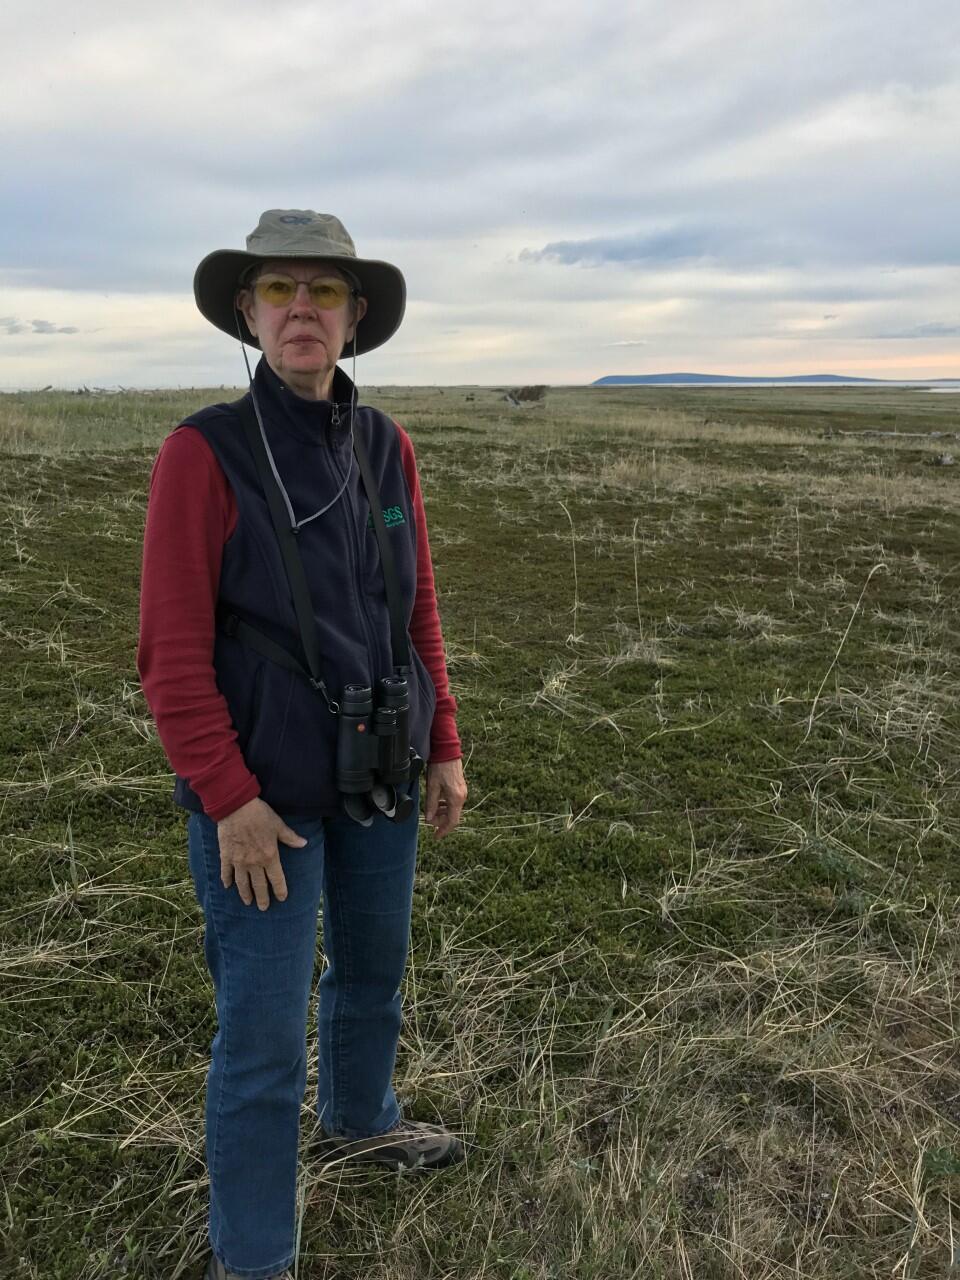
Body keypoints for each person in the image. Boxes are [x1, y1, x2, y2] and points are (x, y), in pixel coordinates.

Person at [136, 210, 468, 1280]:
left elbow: (414, 604)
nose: (301, 311)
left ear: (356, 315)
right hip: (263, 803)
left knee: (374, 974)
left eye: (324, 292)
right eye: (279, 290)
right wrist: (225, 795)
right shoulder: (203, 453)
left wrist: (443, 739)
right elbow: (170, 652)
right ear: (247, 310)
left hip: (382, 774)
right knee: (265, 1038)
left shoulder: (386, 445)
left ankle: (363, 1120)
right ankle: (257, 1256)